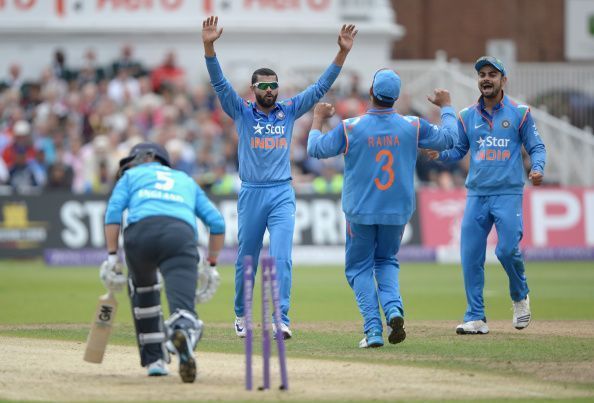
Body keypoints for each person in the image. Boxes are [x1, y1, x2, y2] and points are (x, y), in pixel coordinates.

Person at [201, 15, 357, 340]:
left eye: (274, 85)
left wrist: (341, 53)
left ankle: (281, 319)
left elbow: (320, 88)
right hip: (252, 193)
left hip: (282, 192)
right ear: (254, 89)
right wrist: (209, 47)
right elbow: (219, 84)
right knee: (247, 260)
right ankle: (242, 314)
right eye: (264, 86)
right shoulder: (242, 111)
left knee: (282, 257)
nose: (270, 90)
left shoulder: (288, 110)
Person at [307, 69, 459, 348]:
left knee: (358, 268)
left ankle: (373, 328)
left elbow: (315, 149)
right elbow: (450, 138)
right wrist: (447, 106)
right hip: (397, 211)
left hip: (361, 211)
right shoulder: (412, 125)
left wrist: (318, 119)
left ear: (372, 93)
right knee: (386, 261)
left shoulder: (350, 126)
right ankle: (393, 309)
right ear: (396, 97)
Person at [426, 56, 546, 335]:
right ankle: (476, 317)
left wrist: (537, 169)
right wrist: (441, 155)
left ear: (504, 80)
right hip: (477, 194)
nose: (486, 78)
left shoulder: (520, 113)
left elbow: (537, 147)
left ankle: (520, 295)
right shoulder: (467, 116)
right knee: (470, 256)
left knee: (506, 250)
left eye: (492, 74)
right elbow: (459, 150)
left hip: (507, 192)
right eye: (482, 74)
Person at [101, 142, 225, 382]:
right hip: (179, 237)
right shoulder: (185, 180)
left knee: (144, 296)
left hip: (140, 236)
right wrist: (211, 265)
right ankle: (181, 332)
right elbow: (217, 223)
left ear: (147, 157)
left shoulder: (131, 177)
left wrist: (111, 257)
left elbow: (113, 212)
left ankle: (155, 360)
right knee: (183, 309)